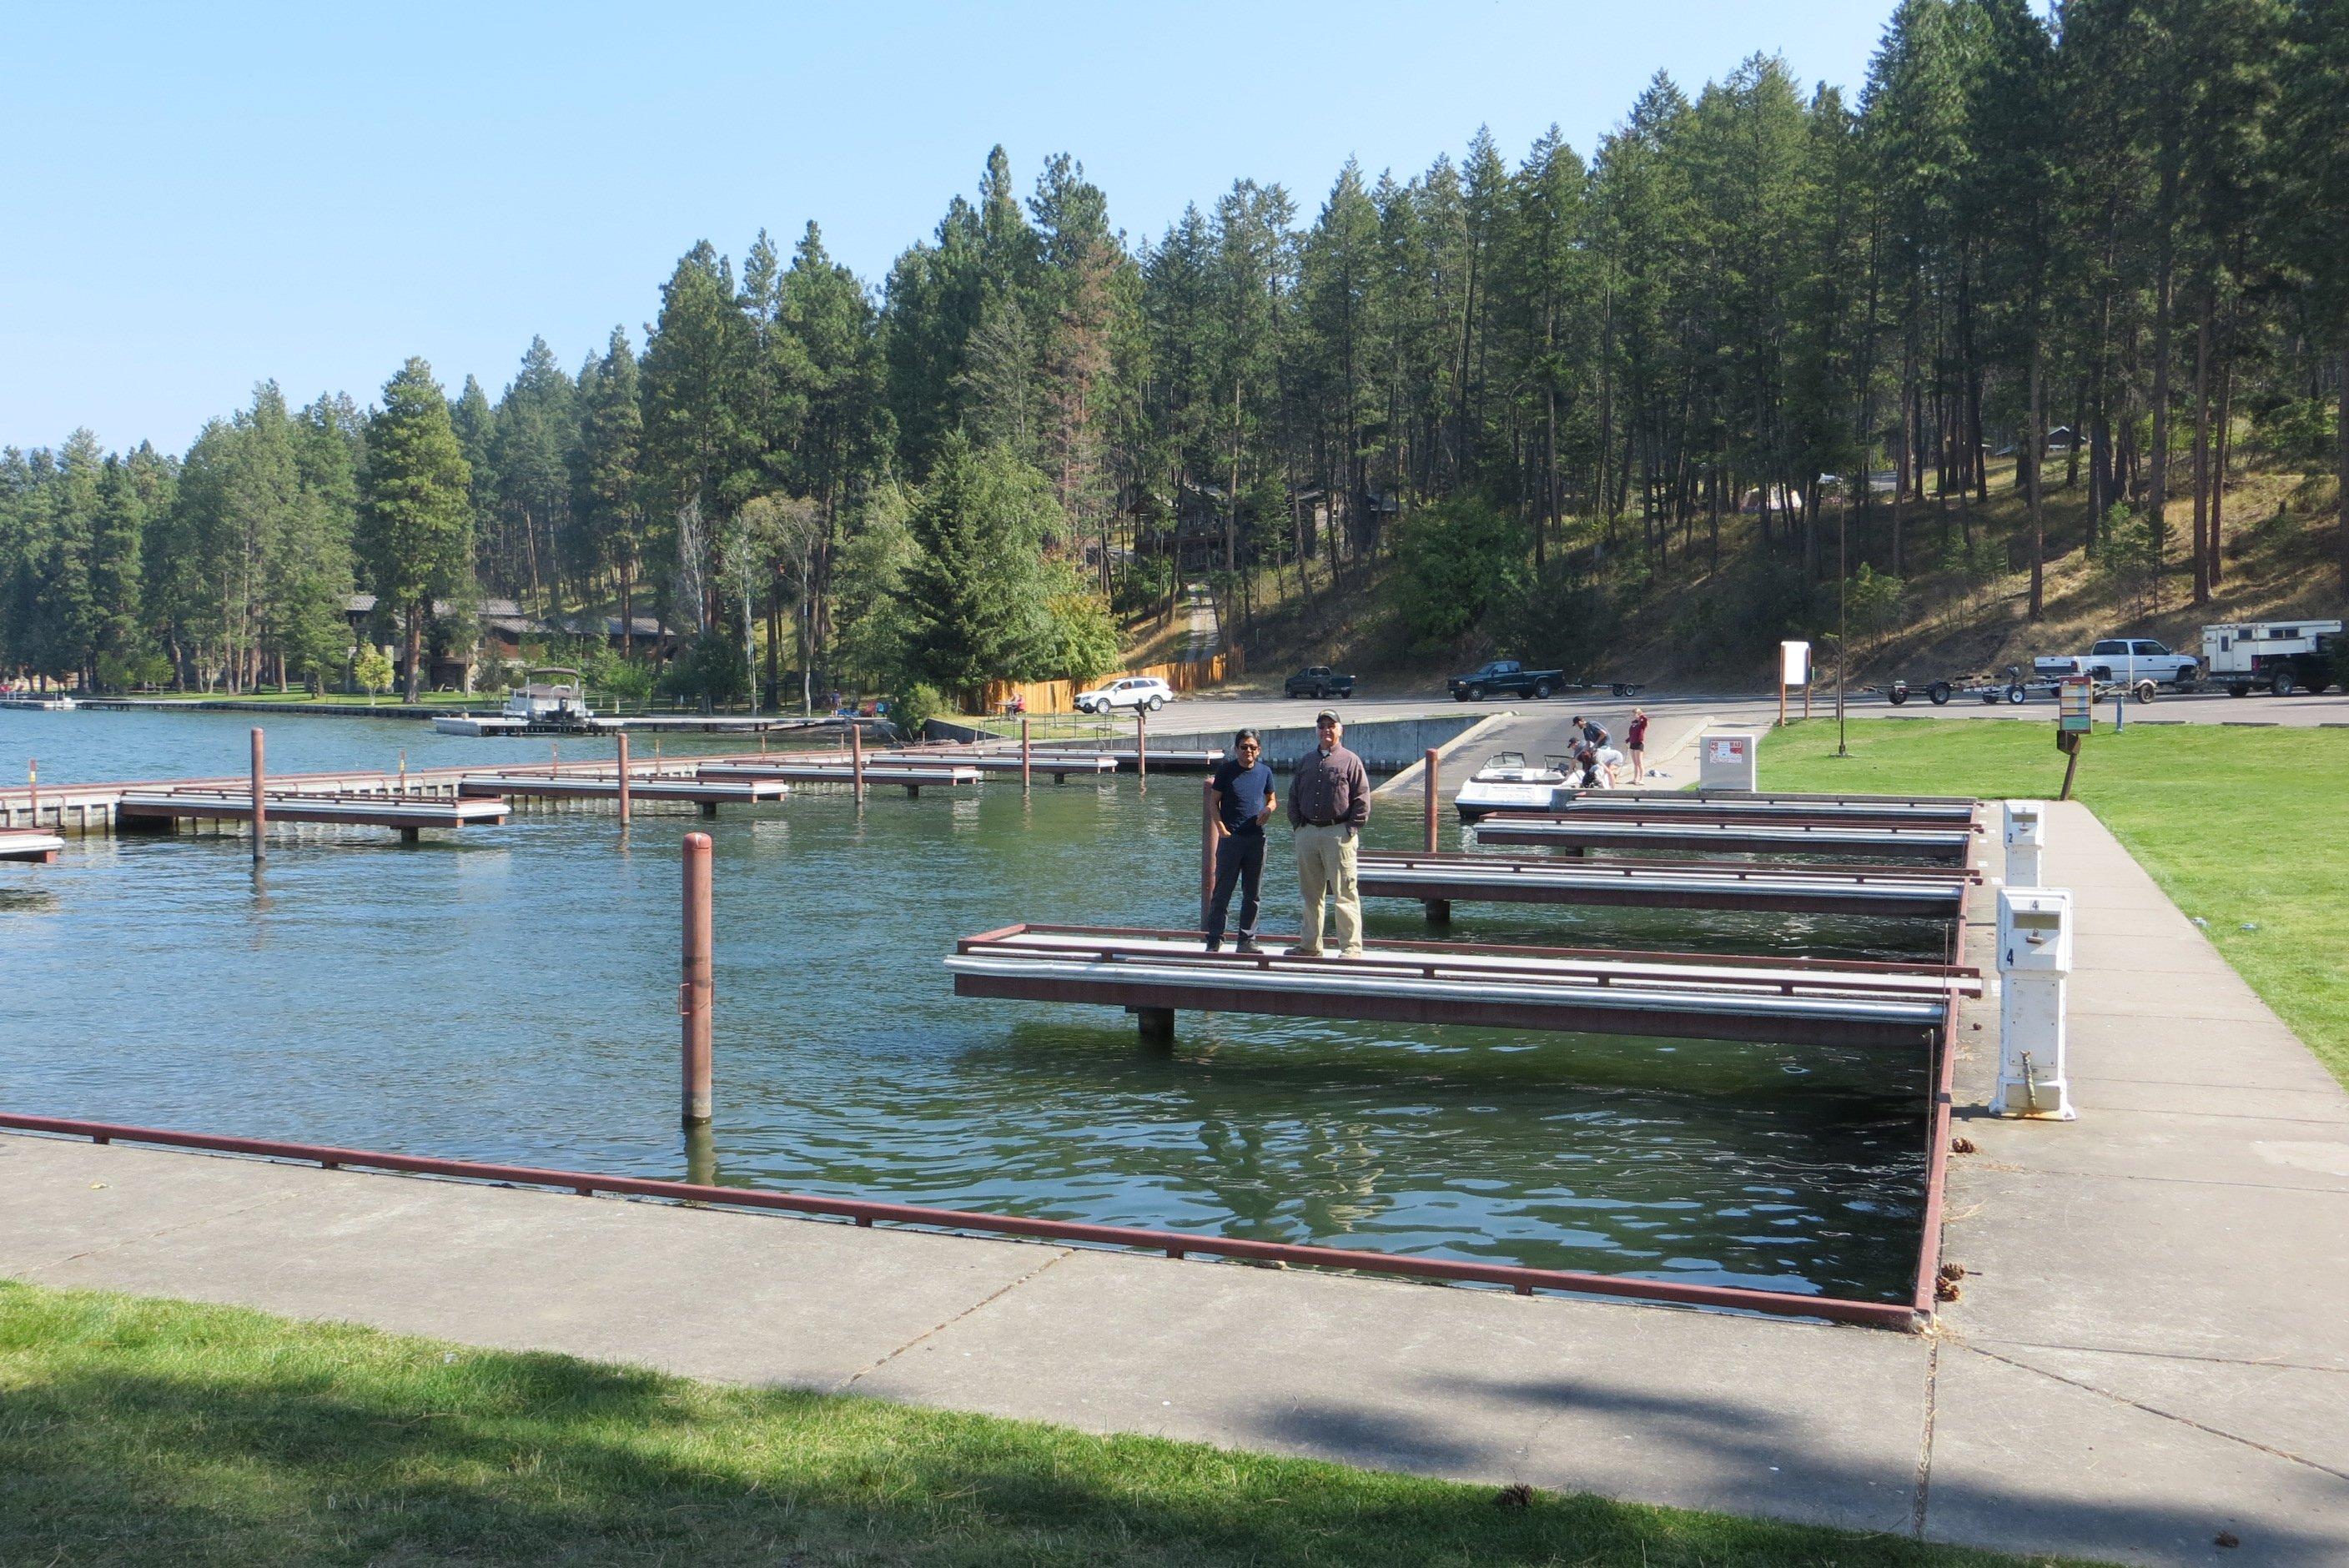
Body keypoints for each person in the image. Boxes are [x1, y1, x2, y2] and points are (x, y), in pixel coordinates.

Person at [1286, 709, 1370, 958]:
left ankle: (1351, 948)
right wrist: (1298, 826)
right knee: (1311, 894)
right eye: (1322, 726)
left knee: (1345, 893)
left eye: (1331, 726)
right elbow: (1293, 795)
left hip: (1338, 833)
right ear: (1317, 731)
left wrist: (1351, 828)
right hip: (1308, 832)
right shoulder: (1306, 761)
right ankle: (1310, 946)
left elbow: (1362, 798)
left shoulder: (1350, 760)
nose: (1326, 731)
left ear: (1340, 729)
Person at [1204, 729, 1276, 952]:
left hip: (1256, 840)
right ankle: (1214, 940)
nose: (1248, 751)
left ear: (1259, 750)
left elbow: (1272, 800)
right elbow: (1213, 803)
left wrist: (1268, 809)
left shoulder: (1265, 772)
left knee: (1252, 893)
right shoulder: (1226, 771)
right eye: (1243, 747)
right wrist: (1221, 828)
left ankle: (1246, 940)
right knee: (1222, 892)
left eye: (1252, 748)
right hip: (1231, 840)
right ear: (1236, 749)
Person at [1627, 707, 1649, 783]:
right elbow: (1632, 734)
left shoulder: (1642, 722)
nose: (1633, 715)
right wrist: (1628, 740)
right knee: (1635, 763)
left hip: (1639, 743)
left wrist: (1641, 716)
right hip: (1632, 743)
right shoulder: (1634, 722)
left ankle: (1641, 779)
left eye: (1635, 713)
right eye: (1633, 714)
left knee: (1639, 763)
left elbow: (1646, 721)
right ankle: (1635, 779)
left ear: (1639, 714)